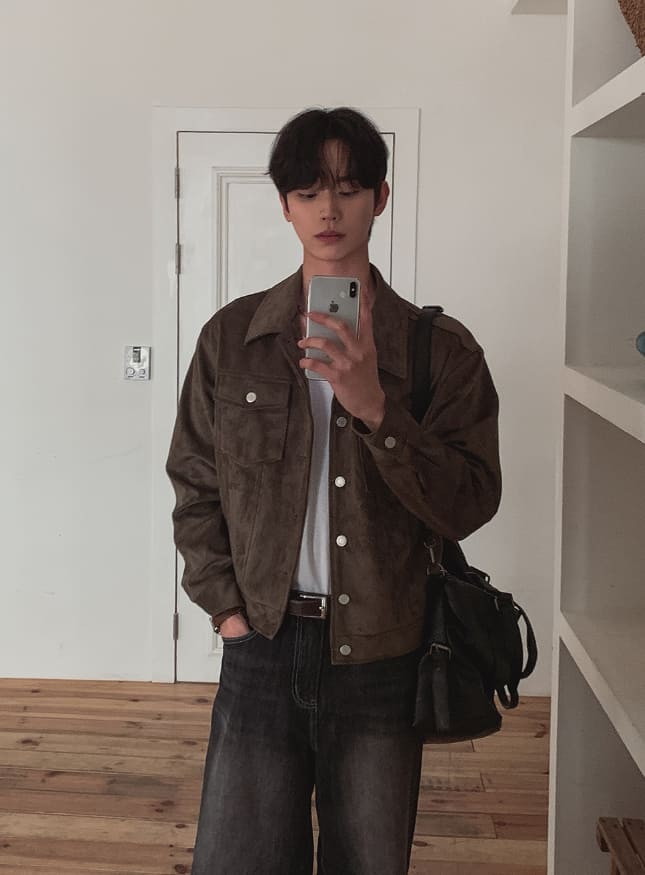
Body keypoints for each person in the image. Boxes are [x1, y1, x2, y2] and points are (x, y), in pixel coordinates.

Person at [165, 106, 502, 875]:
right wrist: (226, 612)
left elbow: (470, 500)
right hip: (260, 642)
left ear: (380, 197)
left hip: (384, 652)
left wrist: (375, 406)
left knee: (368, 861)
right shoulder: (232, 340)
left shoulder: (438, 352)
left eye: (348, 188)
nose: (328, 208)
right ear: (284, 205)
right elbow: (194, 481)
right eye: (308, 190)